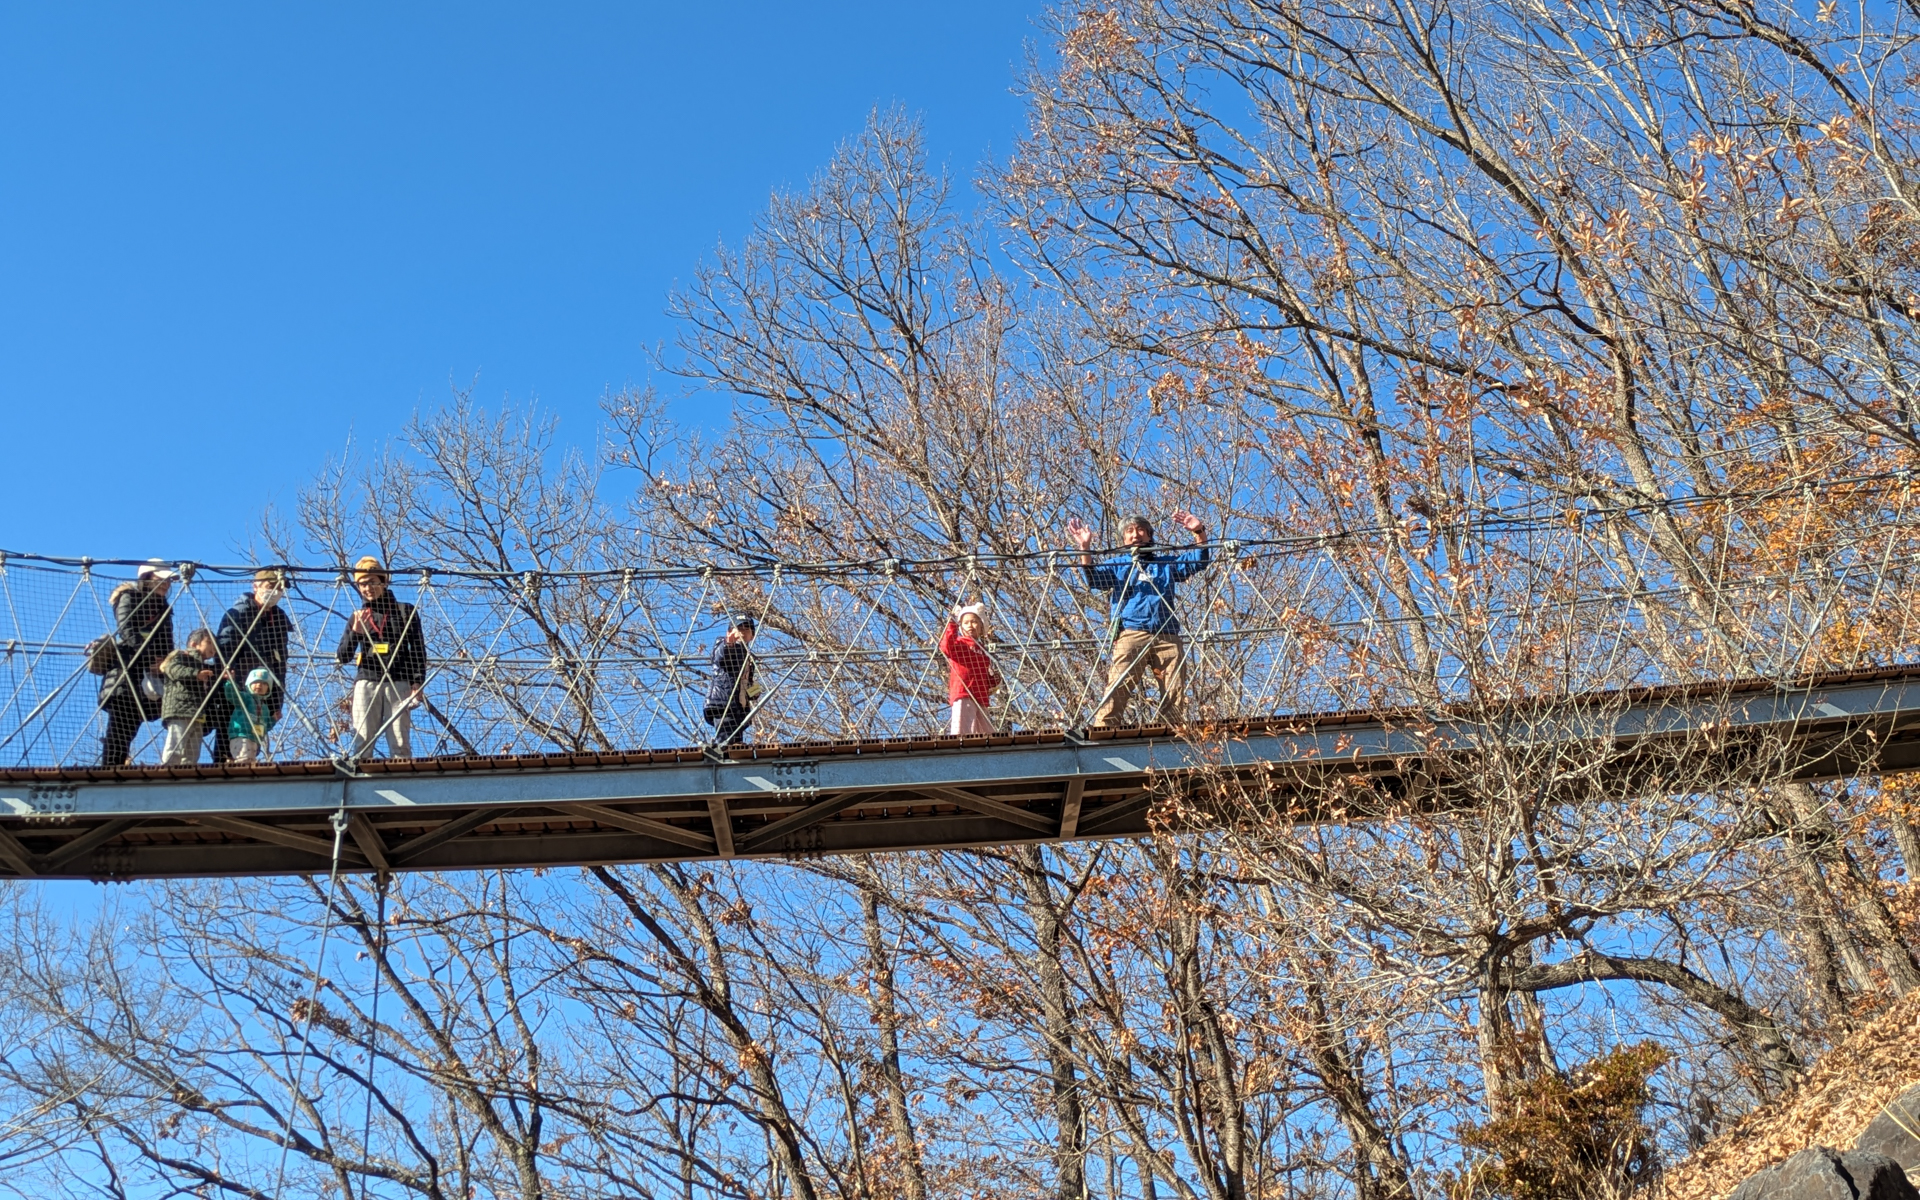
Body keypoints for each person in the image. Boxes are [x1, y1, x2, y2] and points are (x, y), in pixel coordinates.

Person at [1066, 510, 1212, 727]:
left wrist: (1199, 532)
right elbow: (1094, 579)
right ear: (1123, 539)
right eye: (1130, 531)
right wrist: (1084, 549)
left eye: (1141, 530)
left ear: (1150, 536)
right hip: (1131, 632)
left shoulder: (1165, 562)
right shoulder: (1118, 564)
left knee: (1174, 686)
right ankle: (1105, 727)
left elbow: (1197, 561)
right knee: (1119, 683)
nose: (1135, 535)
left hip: (1166, 633)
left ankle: (1172, 730)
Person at [335, 556, 427, 759]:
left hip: (399, 680)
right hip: (367, 680)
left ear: (384, 582)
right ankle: (361, 782)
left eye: (372, 582)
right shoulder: (358, 616)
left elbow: (418, 650)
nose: (367, 588)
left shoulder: (405, 611)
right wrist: (355, 633)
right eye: (362, 584)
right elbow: (343, 657)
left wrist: (417, 682)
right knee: (363, 737)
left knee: (399, 740)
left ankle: (402, 777)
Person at [98, 560, 177, 765]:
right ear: (147, 578)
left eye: (168, 581)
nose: (166, 584)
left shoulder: (164, 609)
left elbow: (167, 641)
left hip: (148, 679)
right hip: (125, 674)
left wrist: (166, 662)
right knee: (118, 730)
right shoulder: (129, 597)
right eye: (162, 580)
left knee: (130, 728)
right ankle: (109, 769)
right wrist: (151, 659)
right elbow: (128, 631)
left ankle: (117, 765)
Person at [210, 568, 293, 763]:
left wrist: (276, 701)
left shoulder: (279, 621)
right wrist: (226, 673)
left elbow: (280, 664)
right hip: (235, 688)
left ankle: (248, 766)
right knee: (230, 730)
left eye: (280, 588)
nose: (276, 592)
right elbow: (225, 645)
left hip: (263, 691)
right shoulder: (239, 613)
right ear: (255, 586)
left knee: (255, 733)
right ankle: (222, 766)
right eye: (270, 586)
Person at [158, 627, 219, 766]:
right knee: (177, 742)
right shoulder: (181, 656)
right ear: (193, 644)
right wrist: (195, 674)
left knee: (193, 748)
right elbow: (172, 670)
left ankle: (188, 770)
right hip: (180, 709)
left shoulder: (205, 667)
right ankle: (167, 768)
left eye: (215, 646)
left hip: (197, 712)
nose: (213, 648)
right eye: (209, 642)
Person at [939, 601, 999, 735]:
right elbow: (945, 647)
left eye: (974, 622)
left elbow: (984, 675)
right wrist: (952, 624)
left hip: (981, 696)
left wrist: (992, 680)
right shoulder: (960, 643)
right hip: (963, 692)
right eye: (966, 623)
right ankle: (958, 747)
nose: (970, 626)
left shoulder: (983, 651)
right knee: (962, 729)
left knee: (986, 730)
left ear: (981, 625)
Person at [703, 615, 758, 747]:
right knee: (726, 733)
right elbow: (721, 656)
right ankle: (723, 750)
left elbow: (746, 682)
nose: (742, 631)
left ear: (752, 635)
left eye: (747, 629)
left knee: (736, 734)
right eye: (739, 628)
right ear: (730, 632)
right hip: (723, 701)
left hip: (738, 704)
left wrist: (755, 691)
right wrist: (729, 643)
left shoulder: (749, 658)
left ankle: (735, 747)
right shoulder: (723, 643)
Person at [223, 667, 277, 763]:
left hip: (255, 738)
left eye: (264, 683)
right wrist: (230, 683)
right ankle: (239, 771)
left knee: (250, 760)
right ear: (249, 685)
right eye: (255, 682)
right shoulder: (246, 698)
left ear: (268, 689)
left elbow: (265, 726)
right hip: (241, 735)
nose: (259, 685)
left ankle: (242, 770)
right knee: (243, 759)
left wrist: (273, 720)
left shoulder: (265, 708)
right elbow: (233, 695)